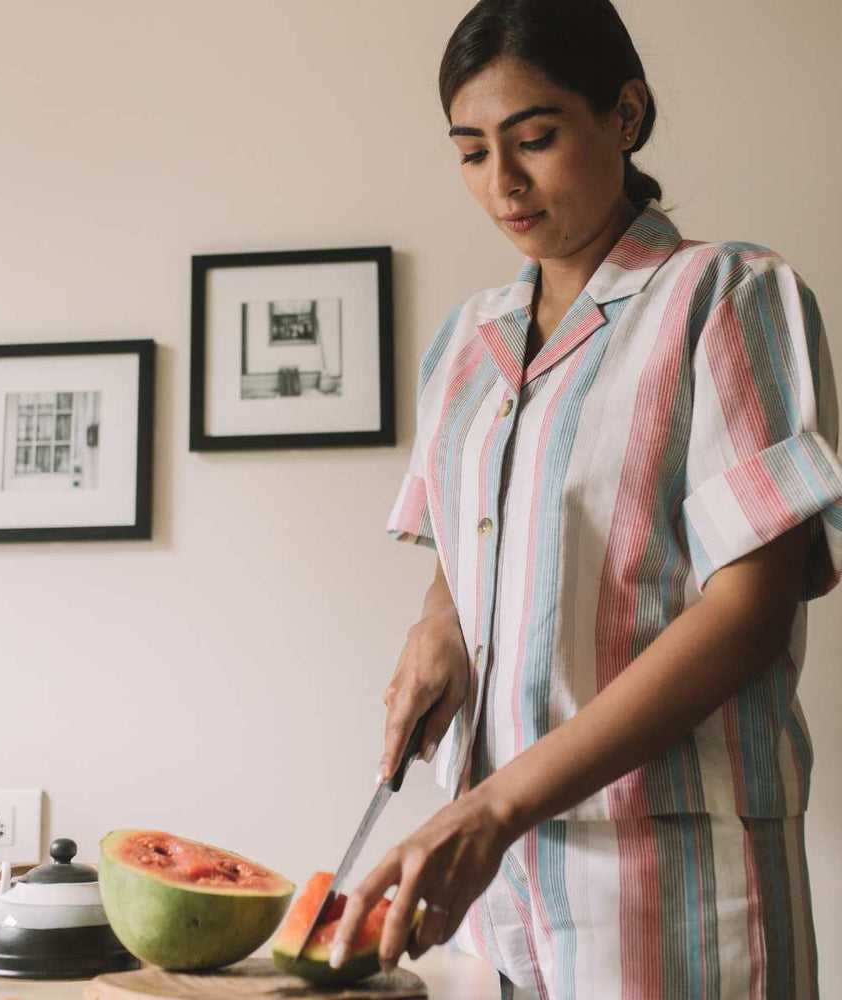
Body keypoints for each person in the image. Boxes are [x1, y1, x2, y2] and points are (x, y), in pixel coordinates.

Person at [327, 1, 842, 996]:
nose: (502, 183)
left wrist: (495, 806)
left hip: (677, 864)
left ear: (625, 113)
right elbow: (478, 538)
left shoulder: (725, 295)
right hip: (497, 871)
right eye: (471, 152)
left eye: (534, 138)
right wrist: (439, 620)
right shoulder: (467, 341)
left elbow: (748, 609)